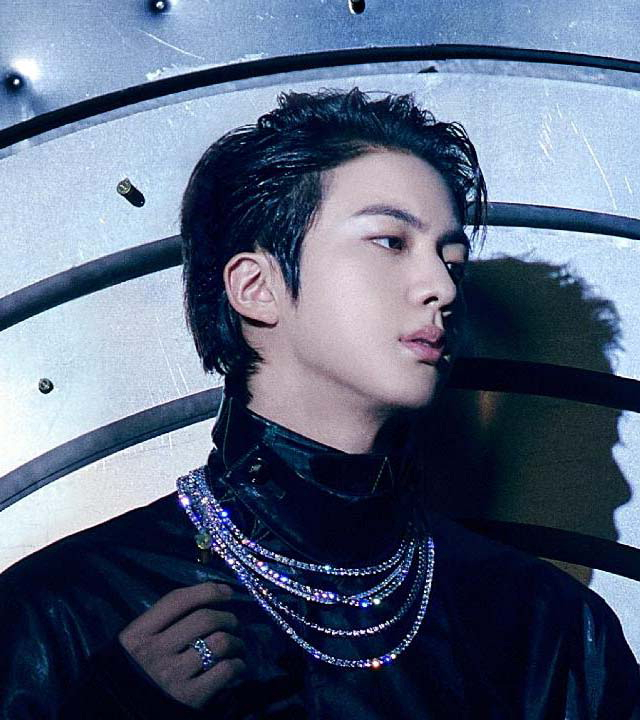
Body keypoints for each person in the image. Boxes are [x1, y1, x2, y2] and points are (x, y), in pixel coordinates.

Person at [1, 87, 639, 719]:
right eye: (390, 241)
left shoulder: (546, 630)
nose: (442, 288)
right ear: (257, 287)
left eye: (453, 261)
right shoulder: (66, 611)